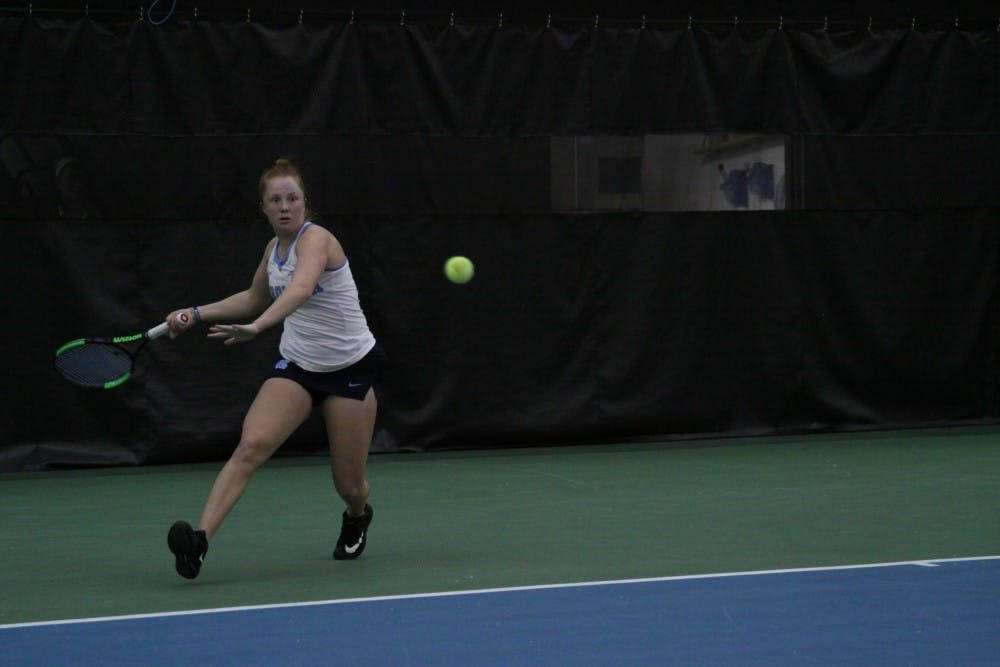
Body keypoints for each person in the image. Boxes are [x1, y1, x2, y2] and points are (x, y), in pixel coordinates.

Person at [164, 158, 386, 579]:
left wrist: (258, 328)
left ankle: (357, 515)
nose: (285, 207)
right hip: (300, 366)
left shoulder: (317, 239)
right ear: (263, 207)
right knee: (250, 446)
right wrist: (195, 313)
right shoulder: (273, 250)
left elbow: (301, 289)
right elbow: (252, 296)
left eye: (293, 199)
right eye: (275, 200)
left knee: (349, 485)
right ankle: (199, 543)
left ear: (305, 203)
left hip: (350, 368)